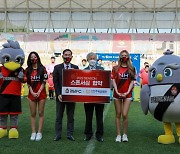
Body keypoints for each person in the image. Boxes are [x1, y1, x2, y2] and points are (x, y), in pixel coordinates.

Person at [53, 49, 79, 141]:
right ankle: (58, 134)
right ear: (62, 56)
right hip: (60, 96)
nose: (67, 56)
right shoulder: (57, 68)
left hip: (71, 96)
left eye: (69, 55)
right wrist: (58, 94)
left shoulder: (76, 67)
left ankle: (70, 134)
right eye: (65, 54)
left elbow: (77, 82)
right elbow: (55, 82)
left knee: (70, 116)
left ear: (71, 56)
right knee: (59, 116)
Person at [111, 50, 136, 142]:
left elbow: (132, 81)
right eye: (122, 55)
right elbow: (113, 80)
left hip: (127, 94)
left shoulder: (132, 68)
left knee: (125, 114)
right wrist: (117, 91)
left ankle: (125, 134)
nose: (124, 56)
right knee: (118, 114)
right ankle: (118, 135)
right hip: (117, 94)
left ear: (128, 57)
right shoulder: (115, 68)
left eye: (126, 55)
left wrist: (127, 92)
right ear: (120, 57)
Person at [24, 51, 48, 141]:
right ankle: (33, 132)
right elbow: (28, 83)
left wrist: (38, 91)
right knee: (33, 113)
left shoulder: (42, 68)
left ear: (37, 57)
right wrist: (32, 92)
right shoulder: (27, 70)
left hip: (41, 93)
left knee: (41, 113)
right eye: (31, 57)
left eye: (34, 57)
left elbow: (44, 81)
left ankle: (39, 132)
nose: (33, 58)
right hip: (31, 94)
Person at [84, 52, 104, 142]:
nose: (93, 60)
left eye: (94, 58)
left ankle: (99, 134)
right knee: (88, 117)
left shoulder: (102, 69)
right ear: (88, 60)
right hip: (88, 97)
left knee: (99, 117)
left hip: (99, 97)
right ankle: (88, 134)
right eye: (91, 58)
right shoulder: (84, 70)